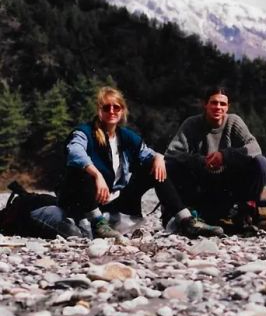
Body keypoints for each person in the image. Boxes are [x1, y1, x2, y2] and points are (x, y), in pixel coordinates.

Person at [57, 87, 224, 239]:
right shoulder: (84, 132)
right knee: (82, 169)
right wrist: (96, 174)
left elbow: (147, 153)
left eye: (116, 107)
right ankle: (97, 224)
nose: (112, 111)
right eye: (106, 107)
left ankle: (186, 221)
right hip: (86, 199)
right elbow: (75, 152)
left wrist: (158, 158)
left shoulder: (126, 136)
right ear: (99, 111)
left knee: (156, 167)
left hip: (114, 200)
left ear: (122, 111)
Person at [165, 87, 266, 231]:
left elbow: (255, 147)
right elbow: (172, 153)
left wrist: (225, 156)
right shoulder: (192, 124)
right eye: (214, 103)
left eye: (222, 104)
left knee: (260, 162)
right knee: (168, 165)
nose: (218, 107)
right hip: (201, 182)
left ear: (227, 107)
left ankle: (246, 210)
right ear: (205, 104)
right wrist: (200, 161)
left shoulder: (234, 121)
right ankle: (183, 212)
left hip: (228, 183)